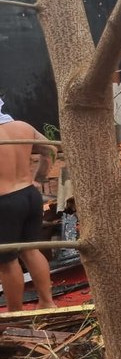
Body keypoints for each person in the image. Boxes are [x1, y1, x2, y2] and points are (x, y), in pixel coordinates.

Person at [0, 98, 57, 311]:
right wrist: (39, 179)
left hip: (5, 203)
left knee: (7, 262)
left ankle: (15, 314)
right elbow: (50, 149)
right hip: (29, 195)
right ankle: (47, 302)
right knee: (31, 251)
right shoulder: (22, 127)